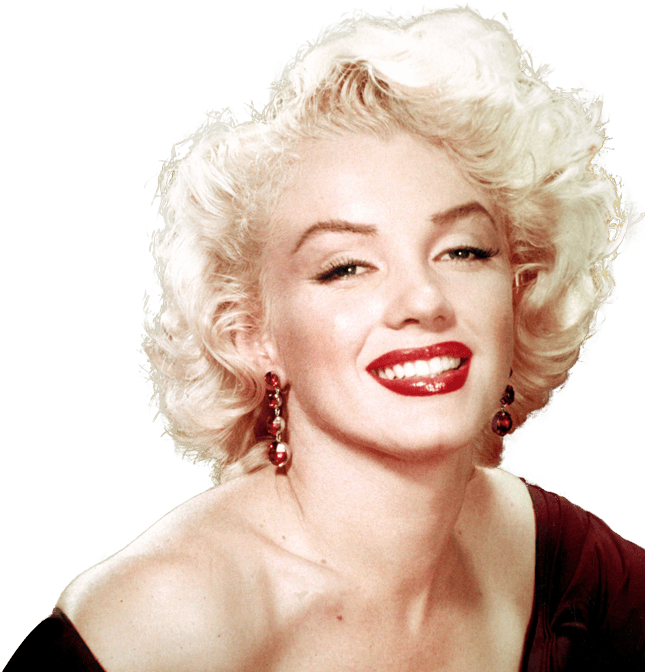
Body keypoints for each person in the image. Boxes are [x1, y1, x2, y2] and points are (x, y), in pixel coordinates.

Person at [5, 7, 643, 672]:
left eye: (463, 251)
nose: (424, 301)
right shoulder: (167, 621)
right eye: (345, 267)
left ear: (520, 286)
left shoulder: (555, 557)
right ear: (250, 333)